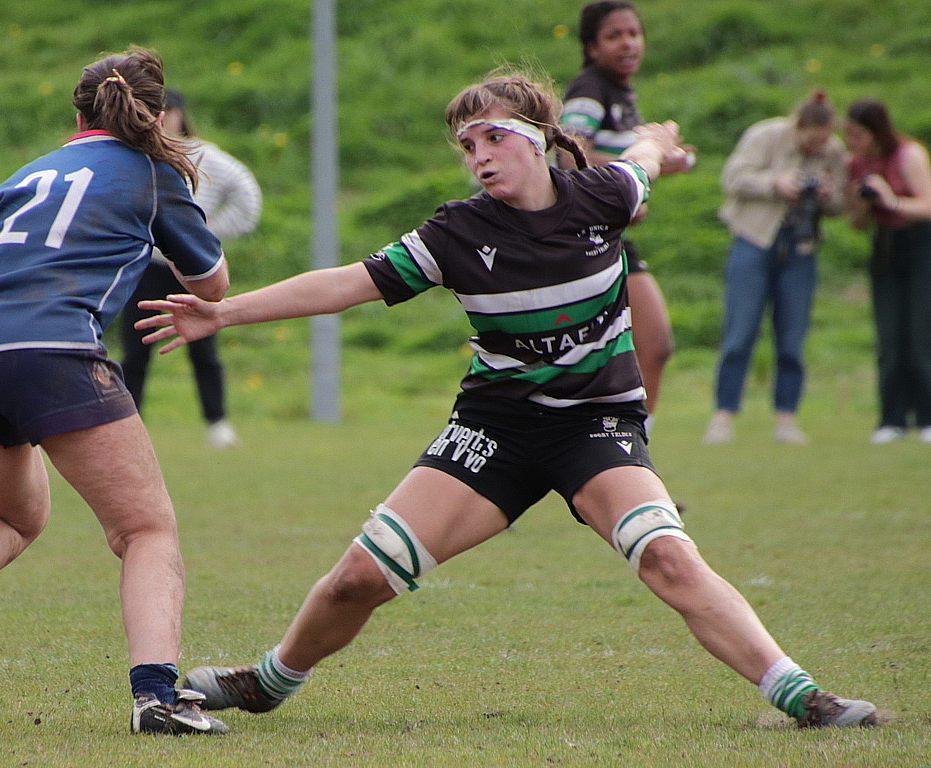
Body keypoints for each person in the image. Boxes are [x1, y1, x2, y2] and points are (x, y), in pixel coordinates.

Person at [135, 69, 878, 730]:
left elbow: (642, 161)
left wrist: (661, 144)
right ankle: (269, 682)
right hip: (493, 429)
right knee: (357, 579)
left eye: (492, 136)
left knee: (668, 558)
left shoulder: (605, 196)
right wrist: (222, 312)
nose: (479, 155)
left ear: (537, 137)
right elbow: (346, 283)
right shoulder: (456, 232)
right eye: (467, 145)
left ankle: (802, 696)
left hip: (595, 426)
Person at [0, 46, 230, 736]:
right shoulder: (153, 172)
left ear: (79, 112)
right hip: (53, 349)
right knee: (145, 529)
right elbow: (211, 284)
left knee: (11, 515)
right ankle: (156, 699)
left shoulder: (27, 173)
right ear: (155, 114)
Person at [560, 0, 683, 427]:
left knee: (652, 346)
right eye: (614, 36)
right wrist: (619, 192)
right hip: (586, 238)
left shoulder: (619, 92)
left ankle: (629, 449)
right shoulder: (590, 89)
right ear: (591, 47)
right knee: (650, 344)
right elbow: (568, 152)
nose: (628, 43)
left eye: (634, 33)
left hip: (609, 236)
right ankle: (620, 450)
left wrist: (663, 160)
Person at [118, 89, 262, 449]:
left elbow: (246, 195)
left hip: (193, 269)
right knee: (135, 349)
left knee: (204, 348)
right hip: (146, 265)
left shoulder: (204, 156)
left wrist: (202, 235)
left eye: (168, 111)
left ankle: (218, 422)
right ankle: (128, 423)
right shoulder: (137, 155)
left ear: (181, 114)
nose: (163, 119)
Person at [703, 92, 848, 445]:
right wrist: (776, 183)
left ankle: (787, 418)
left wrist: (827, 195)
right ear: (798, 127)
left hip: (801, 248)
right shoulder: (765, 135)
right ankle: (723, 416)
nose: (819, 147)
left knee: (792, 337)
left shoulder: (833, 151)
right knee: (740, 332)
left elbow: (842, 203)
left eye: (824, 140)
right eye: (812, 141)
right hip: (753, 241)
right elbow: (732, 177)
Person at [843, 98, 931, 444]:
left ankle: (926, 416)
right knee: (889, 339)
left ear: (876, 131)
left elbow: (928, 206)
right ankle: (891, 419)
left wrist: (891, 199)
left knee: (920, 336)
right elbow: (856, 224)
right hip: (885, 249)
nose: (851, 142)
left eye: (857, 135)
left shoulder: (909, 155)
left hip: (920, 246)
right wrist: (862, 203)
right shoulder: (855, 163)